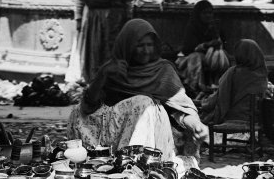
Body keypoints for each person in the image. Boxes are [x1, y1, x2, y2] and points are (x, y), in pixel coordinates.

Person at [67, 19, 209, 161]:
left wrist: (196, 125)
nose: (146, 51)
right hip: (113, 134)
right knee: (77, 111)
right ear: (127, 46)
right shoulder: (112, 69)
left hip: (152, 138)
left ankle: (136, 163)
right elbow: (88, 106)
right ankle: (96, 158)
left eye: (149, 45)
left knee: (143, 103)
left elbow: (181, 109)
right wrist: (102, 76)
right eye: (140, 46)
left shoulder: (163, 71)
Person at [73, 0, 133, 82]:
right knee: (96, 49)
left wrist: (128, 17)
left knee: (112, 49)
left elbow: (127, 0)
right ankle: (96, 79)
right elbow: (80, 0)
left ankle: (114, 80)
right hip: (95, 20)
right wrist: (78, 19)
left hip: (115, 19)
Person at [199, 39, 268, 125]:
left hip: (234, 119)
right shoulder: (262, 75)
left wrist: (201, 103)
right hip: (256, 121)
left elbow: (219, 98)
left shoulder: (233, 72)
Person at [176, 0, 225, 93]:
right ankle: (194, 87)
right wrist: (206, 45)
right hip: (191, 57)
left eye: (210, 13)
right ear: (198, 14)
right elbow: (187, 48)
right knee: (196, 57)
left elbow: (222, 43)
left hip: (211, 57)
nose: (208, 16)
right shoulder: (192, 27)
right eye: (204, 13)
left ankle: (218, 86)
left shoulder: (215, 26)